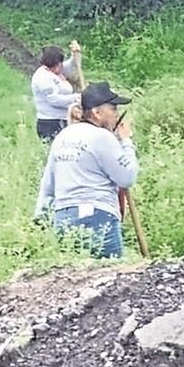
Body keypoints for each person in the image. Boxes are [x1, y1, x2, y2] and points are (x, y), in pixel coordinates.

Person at [34, 82, 138, 258]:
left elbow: (48, 184)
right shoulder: (102, 137)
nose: (117, 114)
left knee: (76, 279)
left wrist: (41, 215)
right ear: (97, 113)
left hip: (63, 218)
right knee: (112, 278)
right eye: (113, 109)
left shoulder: (63, 136)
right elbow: (126, 177)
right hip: (97, 216)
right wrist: (126, 142)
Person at [31, 41, 82, 142]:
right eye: (58, 64)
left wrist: (75, 54)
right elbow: (55, 100)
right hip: (50, 123)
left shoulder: (58, 70)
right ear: (51, 64)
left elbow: (72, 66)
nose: (61, 66)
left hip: (64, 120)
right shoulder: (42, 77)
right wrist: (77, 98)